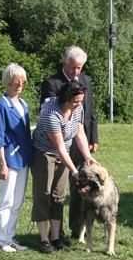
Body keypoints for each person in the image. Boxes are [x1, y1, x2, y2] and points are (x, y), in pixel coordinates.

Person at [31, 81, 98, 254]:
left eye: (81, 101)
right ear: (66, 98)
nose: (79, 105)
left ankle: (56, 238)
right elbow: (59, 148)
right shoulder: (50, 114)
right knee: (43, 194)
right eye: (76, 101)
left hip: (63, 153)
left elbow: (79, 132)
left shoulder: (77, 109)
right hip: (44, 153)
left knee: (59, 195)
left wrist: (88, 157)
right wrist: (75, 172)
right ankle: (44, 240)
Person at [40, 46, 98, 240]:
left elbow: (89, 112)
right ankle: (56, 233)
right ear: (64, 63)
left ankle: (77, 228)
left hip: (80, 140)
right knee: (57, 189)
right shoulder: (52, 83)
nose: (76, 72)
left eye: (80, 68)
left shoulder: (85, 81)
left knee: (80, 187)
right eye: (73, 67)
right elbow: (50, 117)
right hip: (56, 141)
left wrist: (93, 141)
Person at [0, 63, 33, 252]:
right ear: (8, 81)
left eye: (22, 81)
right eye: (17, 80)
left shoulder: (23, 104)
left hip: (24, 159)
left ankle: (10, 237)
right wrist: (2, 164)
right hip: (9, 159)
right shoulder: (2, 104)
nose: (20, 84)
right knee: (6, 201)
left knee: (17, 202)